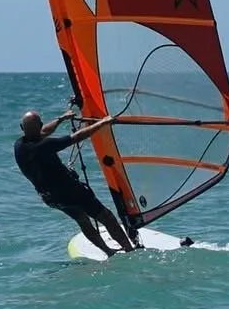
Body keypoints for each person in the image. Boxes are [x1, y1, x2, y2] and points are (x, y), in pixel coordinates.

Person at [13, 108, 138, 252]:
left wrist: (61, 118)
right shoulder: (44, 146)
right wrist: (103, 122)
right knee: (106, 217)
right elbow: (76, 137)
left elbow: (43, 132)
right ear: (39, 125)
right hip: (70, 192)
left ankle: (108, 251)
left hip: (50, 197)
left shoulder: (19, 146)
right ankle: (129, 249)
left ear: (22, 128)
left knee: (82, 219)